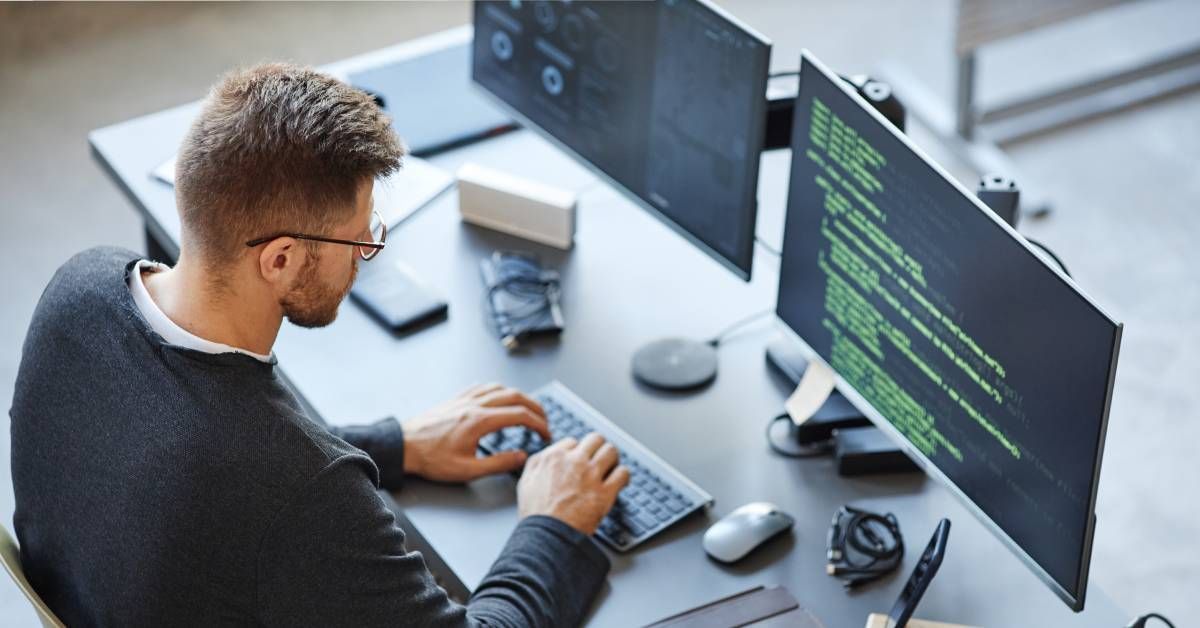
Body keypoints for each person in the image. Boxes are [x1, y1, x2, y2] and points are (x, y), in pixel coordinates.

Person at [9, 63, 629, 627]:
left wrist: (398, 446)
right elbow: (263, 476)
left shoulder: (81, 290)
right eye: (358, 241)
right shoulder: (302, 495)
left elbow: (187, 443)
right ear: (279, 259)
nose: (366, 255)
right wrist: (553, 524)